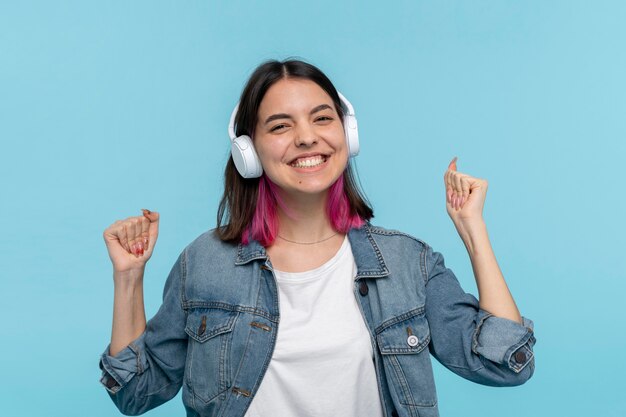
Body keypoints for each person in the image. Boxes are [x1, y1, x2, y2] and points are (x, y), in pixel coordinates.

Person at [100, 59, 536, 417]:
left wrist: (473, 231)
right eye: (280, 126)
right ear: (247, 154)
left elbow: (504, 364)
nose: (307, 137)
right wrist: (129, 278)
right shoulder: (205, 262)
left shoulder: (408, 263)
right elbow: (137, 393)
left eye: (322, 118)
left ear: (347, 134)